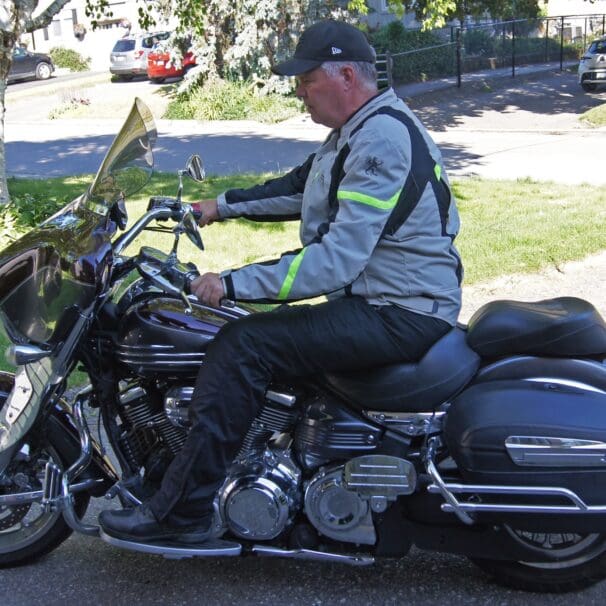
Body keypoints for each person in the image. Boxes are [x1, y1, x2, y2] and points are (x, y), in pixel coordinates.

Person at [99, 19, 463, 544]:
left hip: (399, 310)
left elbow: (334, 261)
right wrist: (213, 208)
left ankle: (181, 514)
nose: (299, 94)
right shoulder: (358, 130)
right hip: (387, 301)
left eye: (306, 80)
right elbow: (300, 187)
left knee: (243, 343)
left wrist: (230, 282)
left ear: (344, 75)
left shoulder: (381, 139)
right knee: (252, 334)